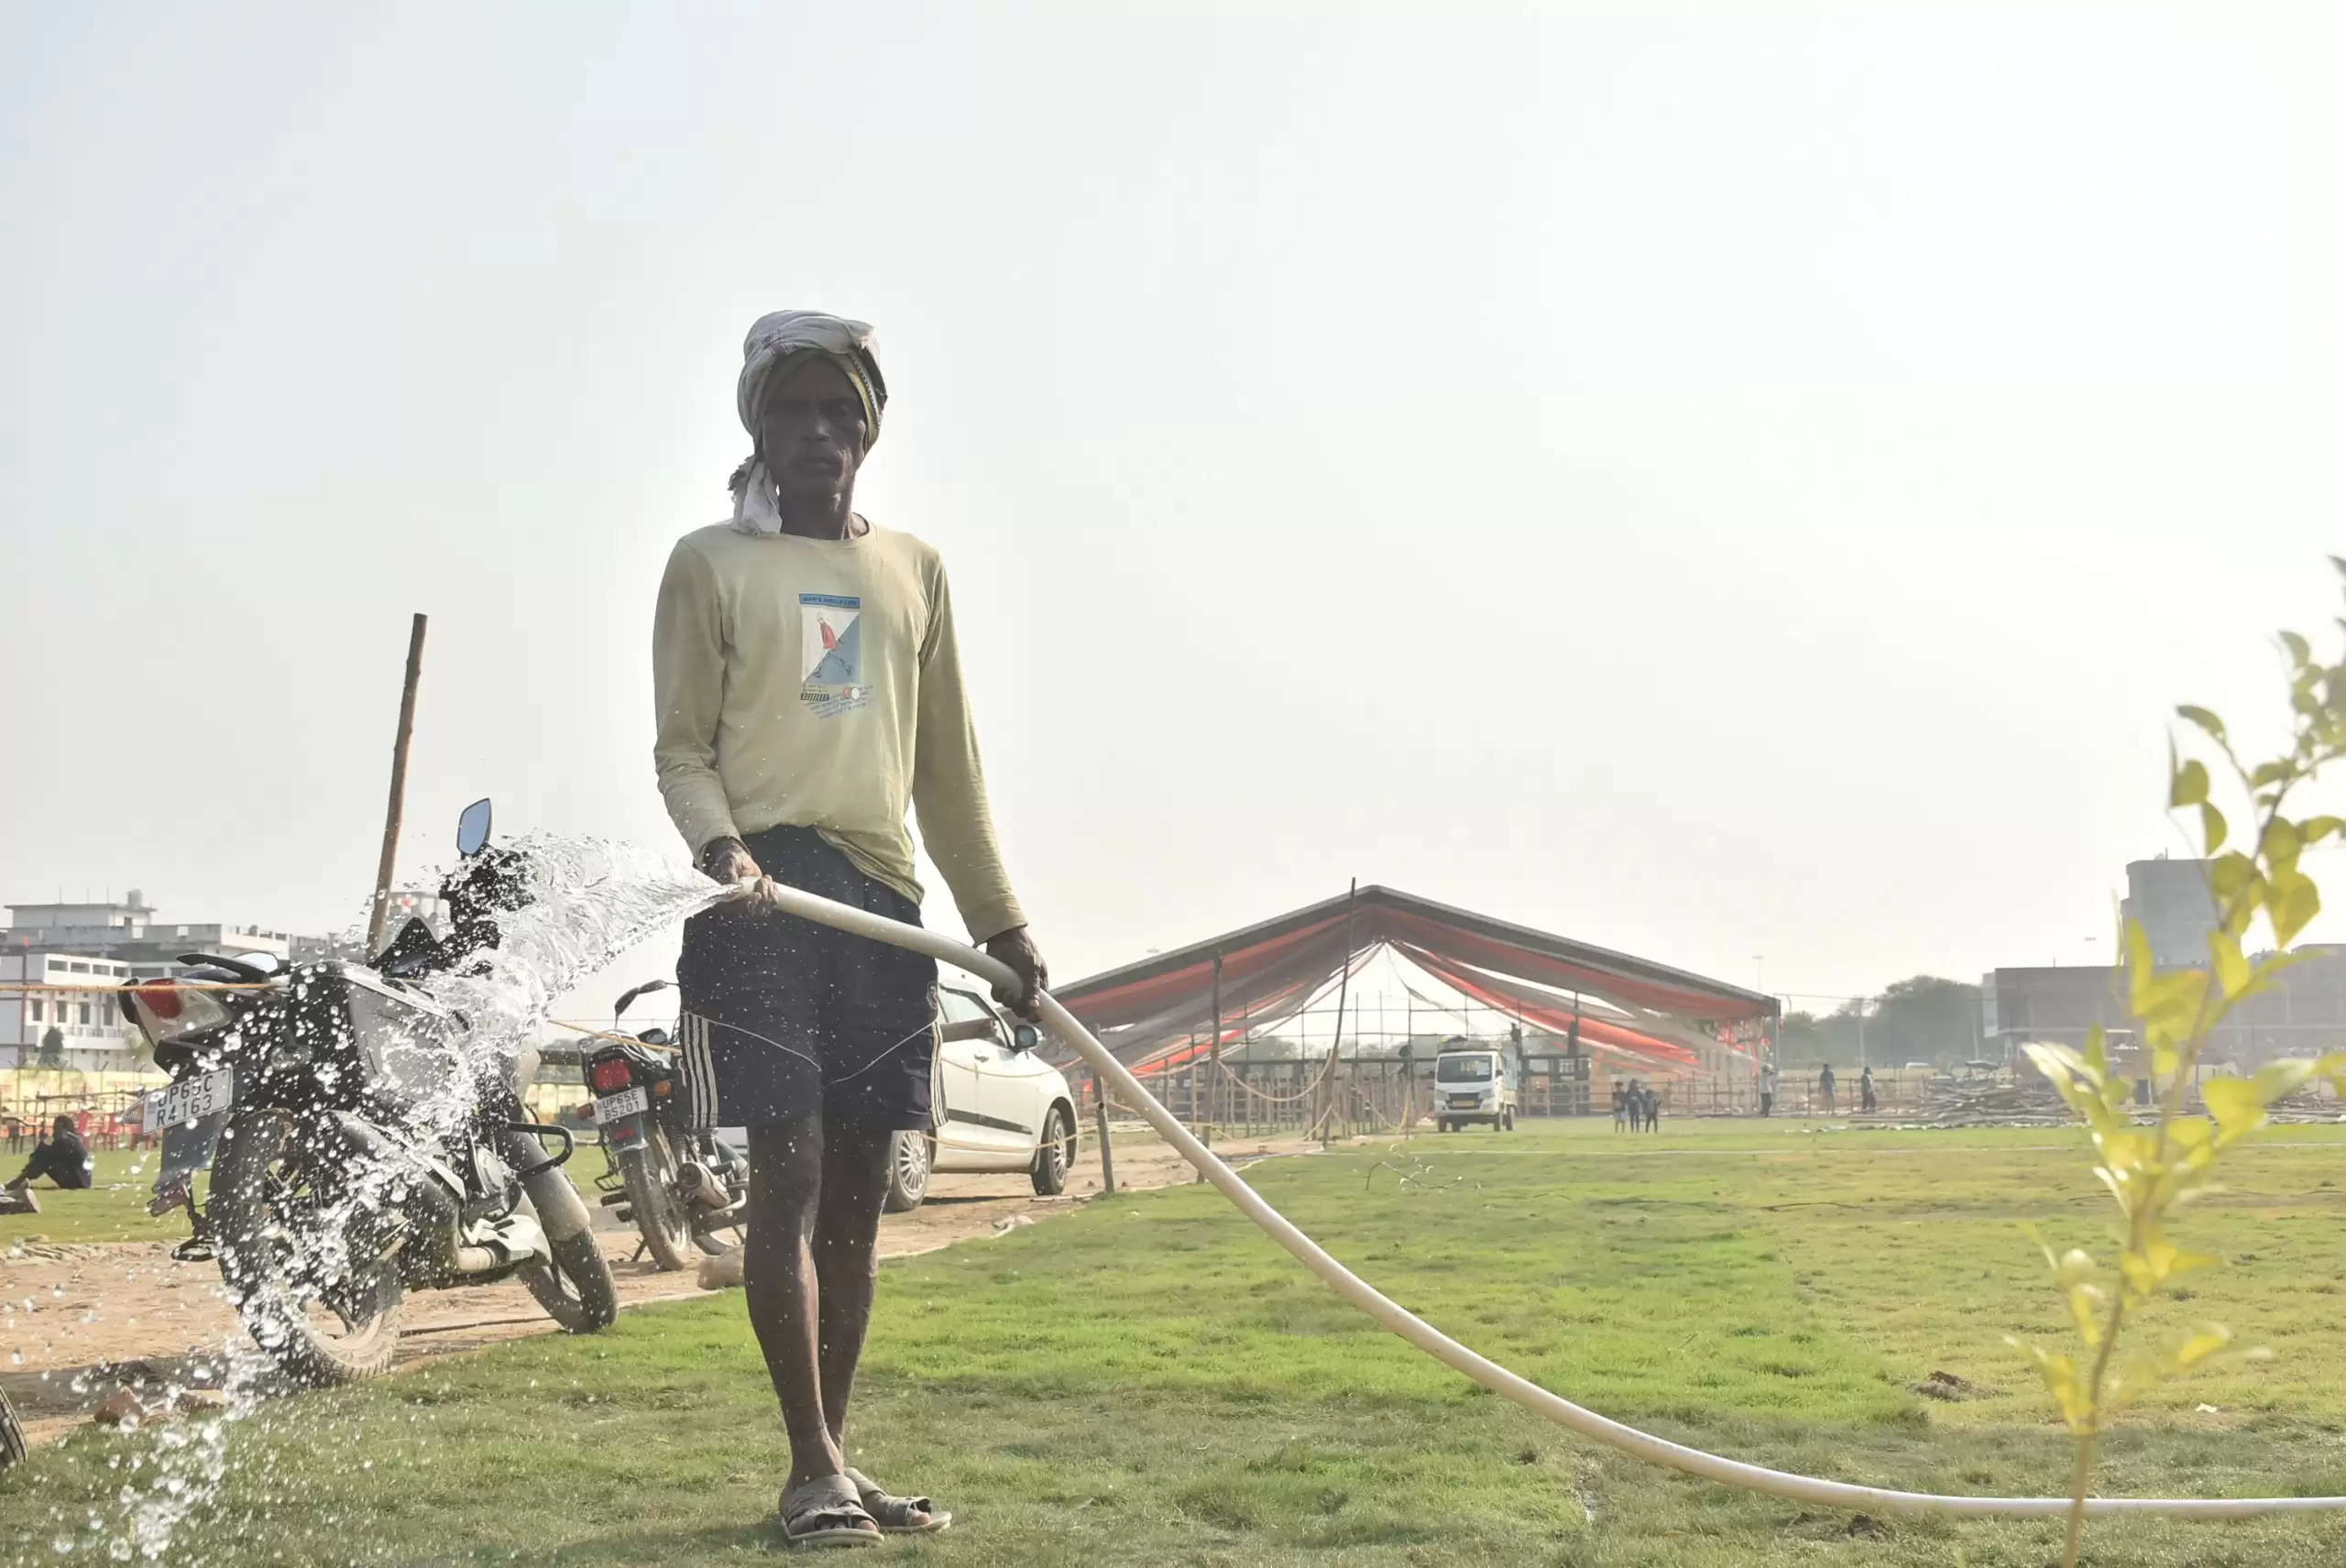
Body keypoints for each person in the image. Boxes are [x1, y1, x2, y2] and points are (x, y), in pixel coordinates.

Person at [652, 310, 1046, 1549]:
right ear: (757, 424)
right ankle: (808, 1462)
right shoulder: (711, 564)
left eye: (840, 411)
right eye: (792, 410)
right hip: (764, 896)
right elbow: (681, 748)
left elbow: (949, 774)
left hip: (885, 905)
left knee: (861, 1200)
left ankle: (837, 1454)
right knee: (793, 1164)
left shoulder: (914, 570)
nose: (817, 432)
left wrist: (1003, 921)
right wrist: (725, 846)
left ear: (869, 426)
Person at [0, 1114, 93, 1215]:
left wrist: (41, 1142)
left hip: (77, 1181)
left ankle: (18, 1181)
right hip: (79, 1179)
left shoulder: (65, 1141)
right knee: (43, 1159)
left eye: (55, 1128)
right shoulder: (72, 1139)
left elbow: (46, 1156)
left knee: (44, 1161)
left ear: (61, 1127)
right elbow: (47, 1154)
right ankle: (21, 1180)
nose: (53, 1132)